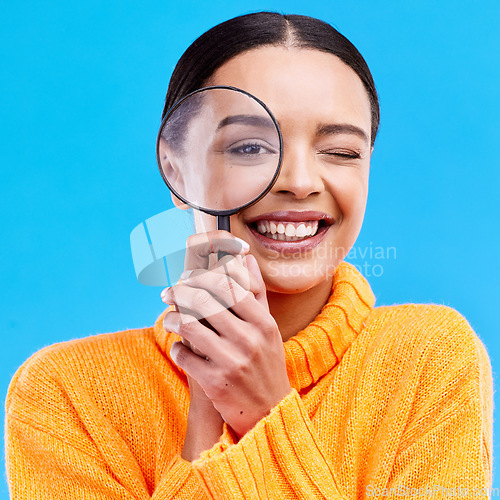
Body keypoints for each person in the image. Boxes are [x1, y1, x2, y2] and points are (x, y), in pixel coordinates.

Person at [5, 12, 493, 500]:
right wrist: (206, 415)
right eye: (250, 146)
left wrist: (260, 408)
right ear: (177, 171)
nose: (300, 182)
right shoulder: (66, 394)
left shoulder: (430, 358)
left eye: (342, 151)